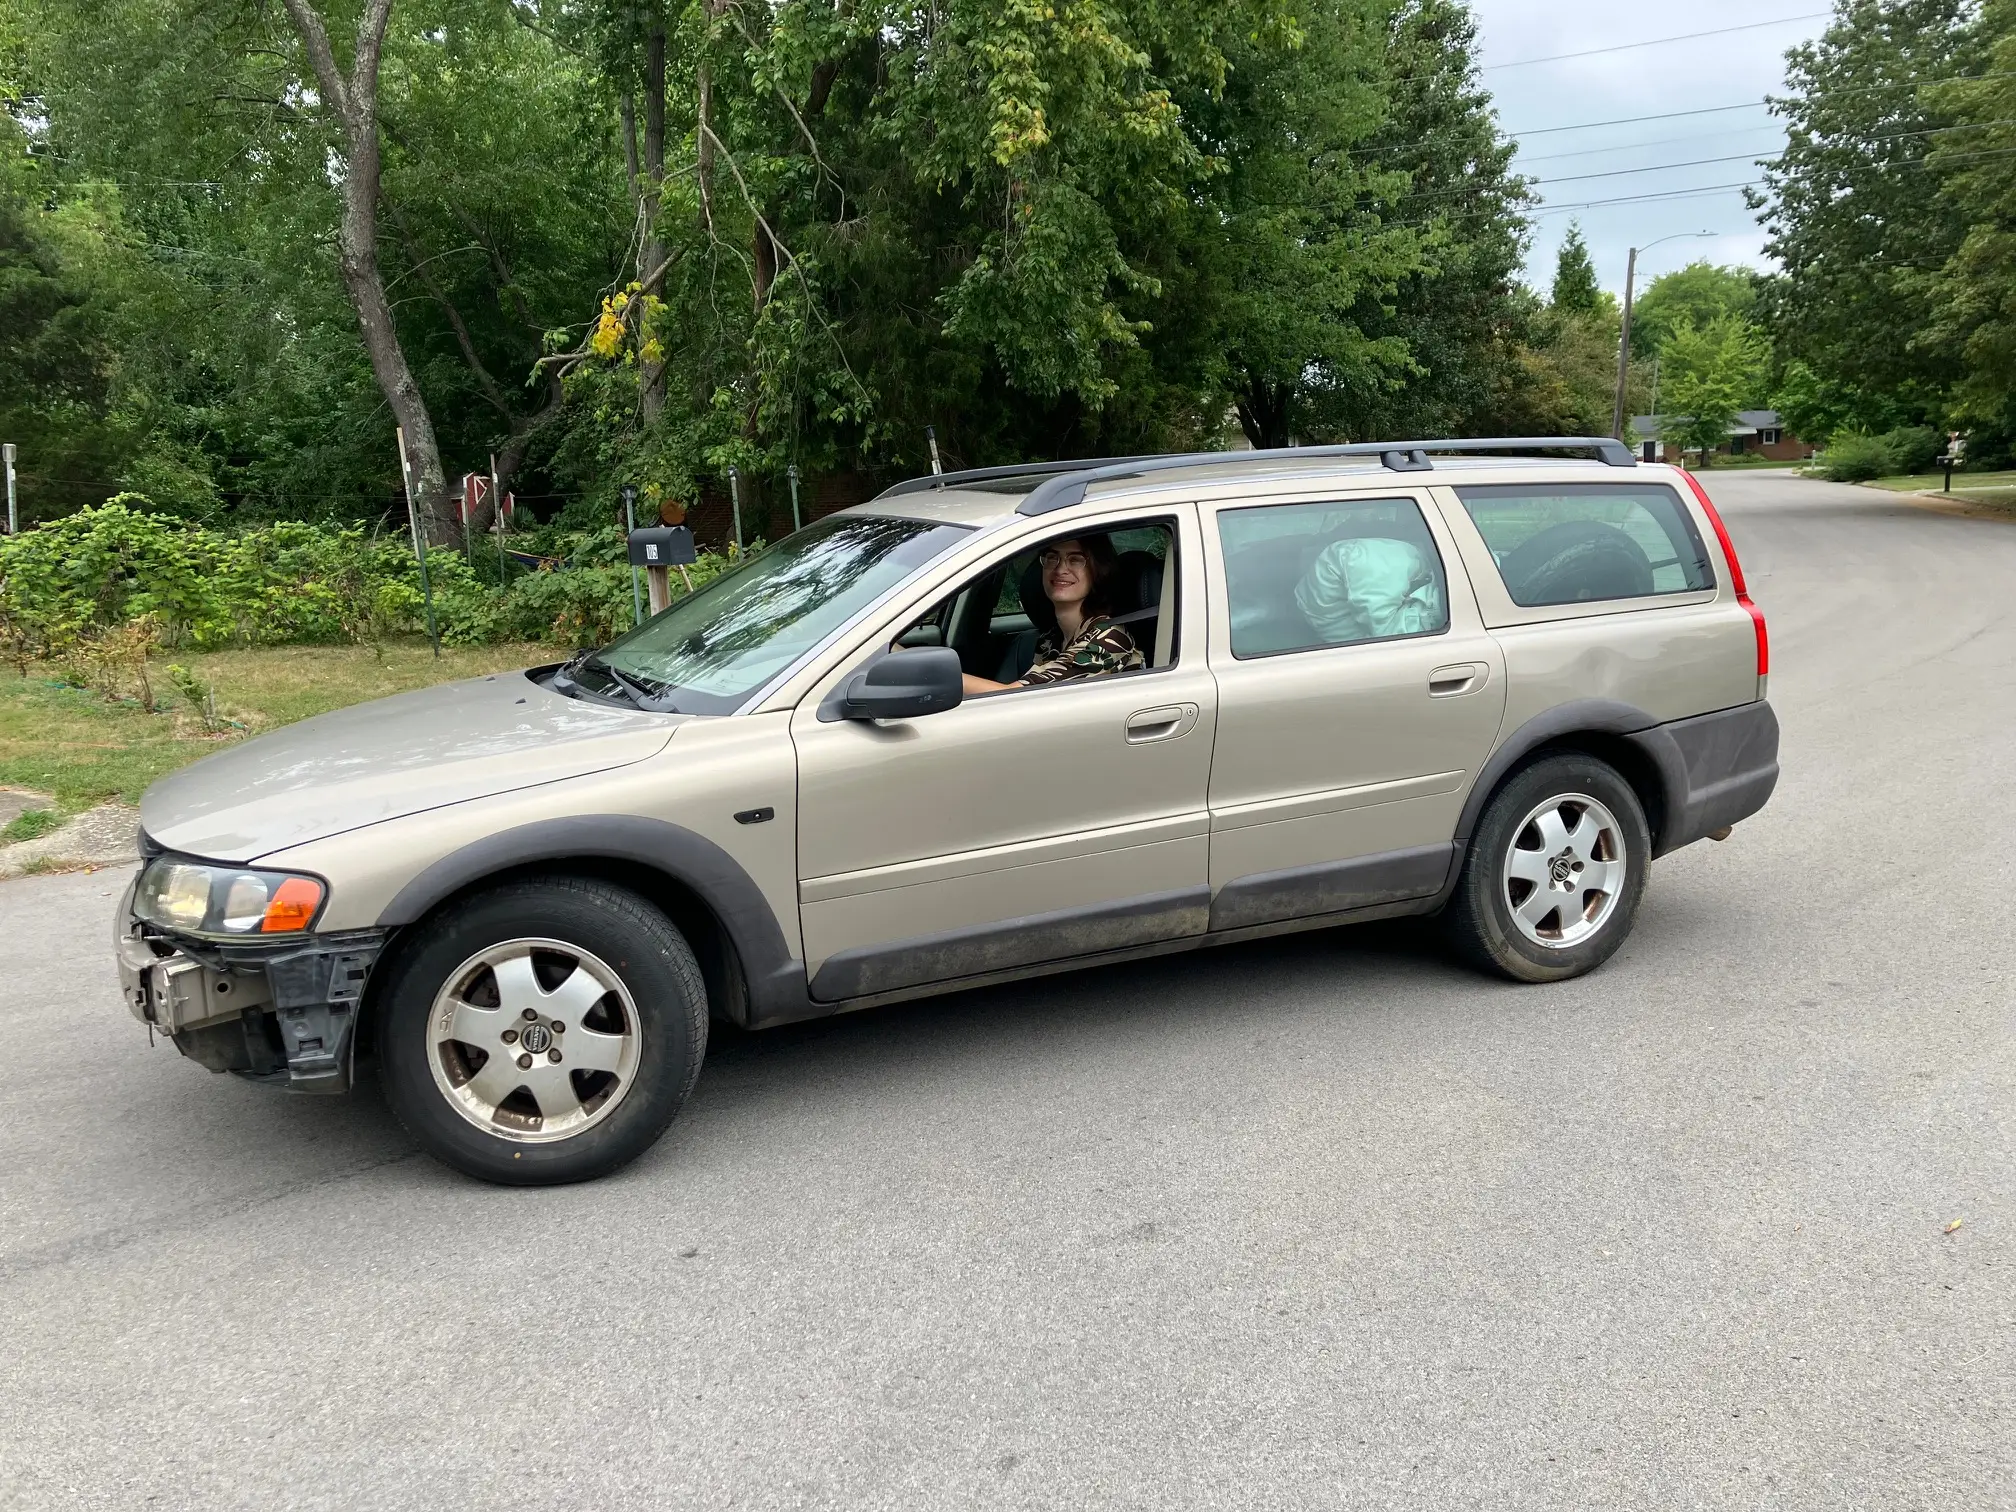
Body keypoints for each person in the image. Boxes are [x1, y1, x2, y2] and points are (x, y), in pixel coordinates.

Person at [962, 535, 1145, 695]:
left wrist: (937, 674)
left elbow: (1016, 697)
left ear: (1098, 569)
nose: (1060, 569)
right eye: (1052, 557)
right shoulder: (1052, 639)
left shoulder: (1110, 640)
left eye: (1075, 559)